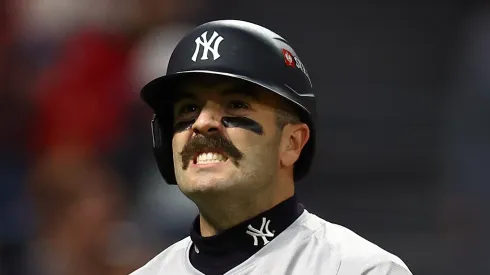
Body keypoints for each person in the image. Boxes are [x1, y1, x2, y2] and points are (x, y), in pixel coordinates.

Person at [131, 19, 413, 275]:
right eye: (189, 108)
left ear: (291, 143)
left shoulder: (358, 269)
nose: (202, 123)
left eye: (236, 105)